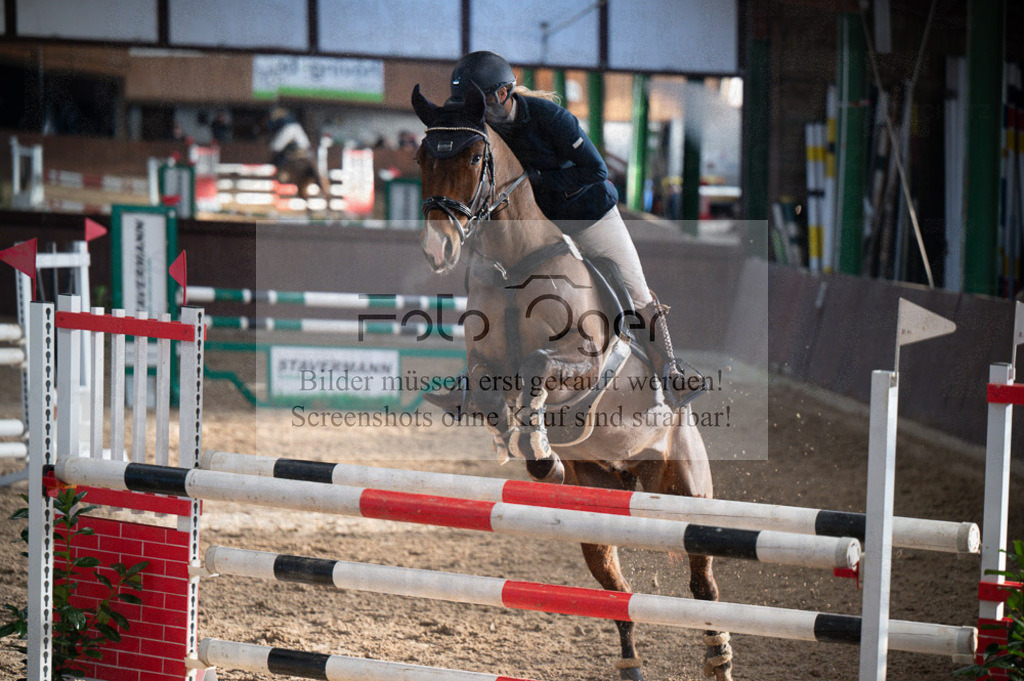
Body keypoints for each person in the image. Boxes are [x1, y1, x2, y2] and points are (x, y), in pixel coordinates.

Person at [441, 51, 692, 408]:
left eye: (475, 102)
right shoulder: (485, 126)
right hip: (536, 223)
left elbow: (596, 171)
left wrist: (538, 180)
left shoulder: (550, 118)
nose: (471, 111)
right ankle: (475, 371)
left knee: (634, 289)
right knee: (487, 274)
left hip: (587, 214)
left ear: (501, 95)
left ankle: (671, 370)